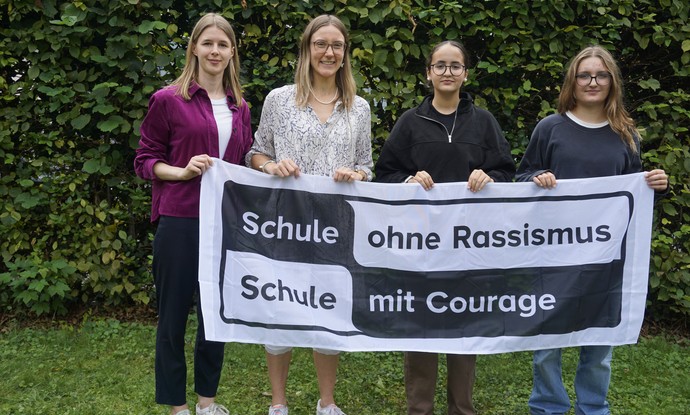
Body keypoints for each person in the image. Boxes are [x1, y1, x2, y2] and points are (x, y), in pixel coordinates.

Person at [516, 45, 668, 415]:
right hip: (551, 257)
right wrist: (537, 178)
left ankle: (593, 408)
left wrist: (656, 186)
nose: (592, 82)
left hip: (605, 260)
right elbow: (520, 178)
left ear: (612, 82)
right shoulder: (549, 128)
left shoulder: (625, 134)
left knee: (600, 347)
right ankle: (548, 407)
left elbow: (633, 198)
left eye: (601, 75)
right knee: (547, 346)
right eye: (584, 75)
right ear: (573, 81)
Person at [375, 40, 516, 415]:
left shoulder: (483, 122)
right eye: (440, 66)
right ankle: (419, 409)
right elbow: (385, 172)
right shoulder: (410, 122)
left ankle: (461, 409)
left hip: (469, 246)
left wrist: (490, 175)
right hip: (420, 246)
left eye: (455, 66)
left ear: (465, 74)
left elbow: (506, 170)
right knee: (420, 328)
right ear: (428, 73)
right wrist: (407, 180)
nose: (448, 72)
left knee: (463, 330)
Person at [246, 14, 373, 415]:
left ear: (345, 54)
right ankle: (279, 404)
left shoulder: (360, 108)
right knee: (280, 309)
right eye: (321, 44)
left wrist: (356, 173)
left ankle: (327, 402)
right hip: (284, 222)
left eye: (337, 45)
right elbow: (256, 151)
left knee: (329, 311)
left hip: (336, 225)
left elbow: (367, 164)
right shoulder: (279, 100)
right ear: (306, 49)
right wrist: (271, 166)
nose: (329, 52)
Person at [134, 13, 253, 415]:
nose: (215, 51)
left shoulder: (240, 107)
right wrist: (181, 171)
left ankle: (207, 402)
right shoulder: (169, 100)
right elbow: (145, 160)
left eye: (222, 44)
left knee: (214, 317)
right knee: (172, 318)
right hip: (180, 220)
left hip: (223, 224)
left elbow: (244, 162)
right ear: (194, 49)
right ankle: (177, 406)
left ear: (231, 51)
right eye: (208, 43)